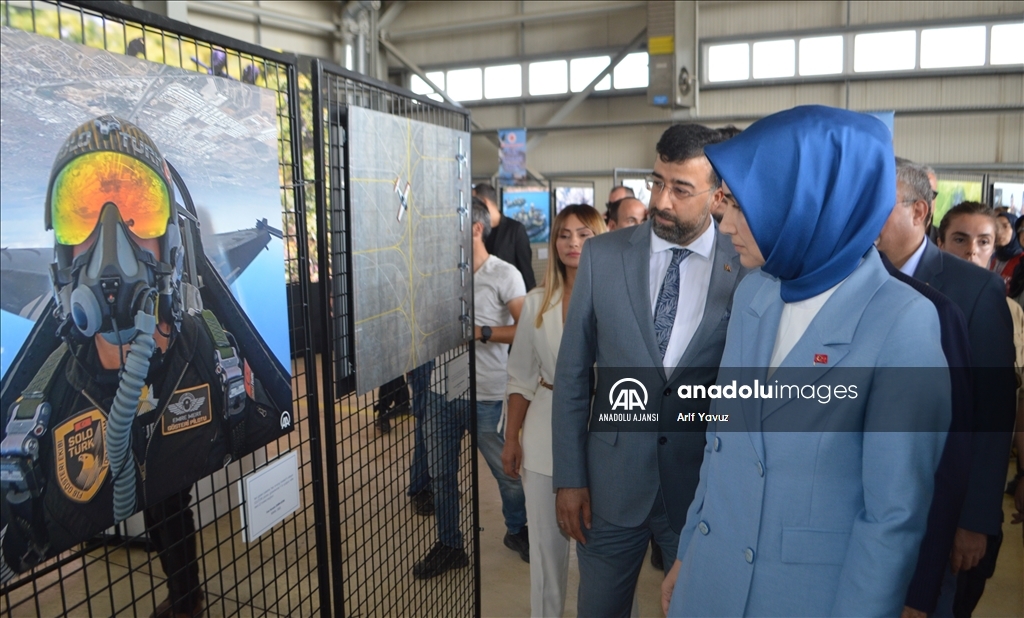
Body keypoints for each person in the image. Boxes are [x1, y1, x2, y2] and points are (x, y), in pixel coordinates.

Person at [663, 105, 951, 617]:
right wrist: (689, 553)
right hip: (711, 582)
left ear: (808, 205)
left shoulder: (903, 323)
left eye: (742, 204)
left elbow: (891, 518)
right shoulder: (756, 295)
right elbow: (720, 444)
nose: (723, 221)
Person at [0, 116, 285, 618]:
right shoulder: (35, 417)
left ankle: (185, 599)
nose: (111, 245)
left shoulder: (215, 360)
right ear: (62, 251)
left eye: (138, 215)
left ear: (171, 245)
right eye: (82, 214)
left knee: (170, 505)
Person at [551, 123, 747, 616]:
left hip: (698, 488)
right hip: (610, 484)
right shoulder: (603, 256)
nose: (661, 200)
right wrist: (569, 478)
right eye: (656, 182)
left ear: (718, 193)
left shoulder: (745, 267)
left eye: (680, 189)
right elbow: (574, 374)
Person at [877, 158, 1017, 618]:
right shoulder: (857, 277)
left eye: (876, 204)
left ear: (919, 212)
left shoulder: (975, 290)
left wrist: (975, 518)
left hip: (940, 506)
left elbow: (993, 413)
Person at [413, 199, 529, 579]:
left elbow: (525, 329)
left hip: (489, 394)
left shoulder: (504, 274)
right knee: (442, 476)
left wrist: (480, 333)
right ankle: (450, 545)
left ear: (476, 229)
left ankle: (518, 530)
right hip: (439, 394)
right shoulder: (438, 274)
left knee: (506, 473)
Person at [502, 205, 607, 617]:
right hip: (544, 433)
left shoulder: (617, 302)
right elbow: (520, 377)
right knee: (546, 549)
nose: (573, 243)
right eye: (564, 234)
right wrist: (512, 438)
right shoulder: (535, 304)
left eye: (584, 233)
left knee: (607, 554)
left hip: (604, 433)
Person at [473, 182, 536, 291]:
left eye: (473, 203)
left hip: (510, 298)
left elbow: (526, 271)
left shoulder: (515, 230)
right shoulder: (476, 232)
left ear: (483, 202)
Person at [990, 211, 1022, 292]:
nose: (999, 231)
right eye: (996, 227)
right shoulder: (995, 257)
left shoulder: (1021, 260)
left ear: (1015, 229)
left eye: (1005, 226)